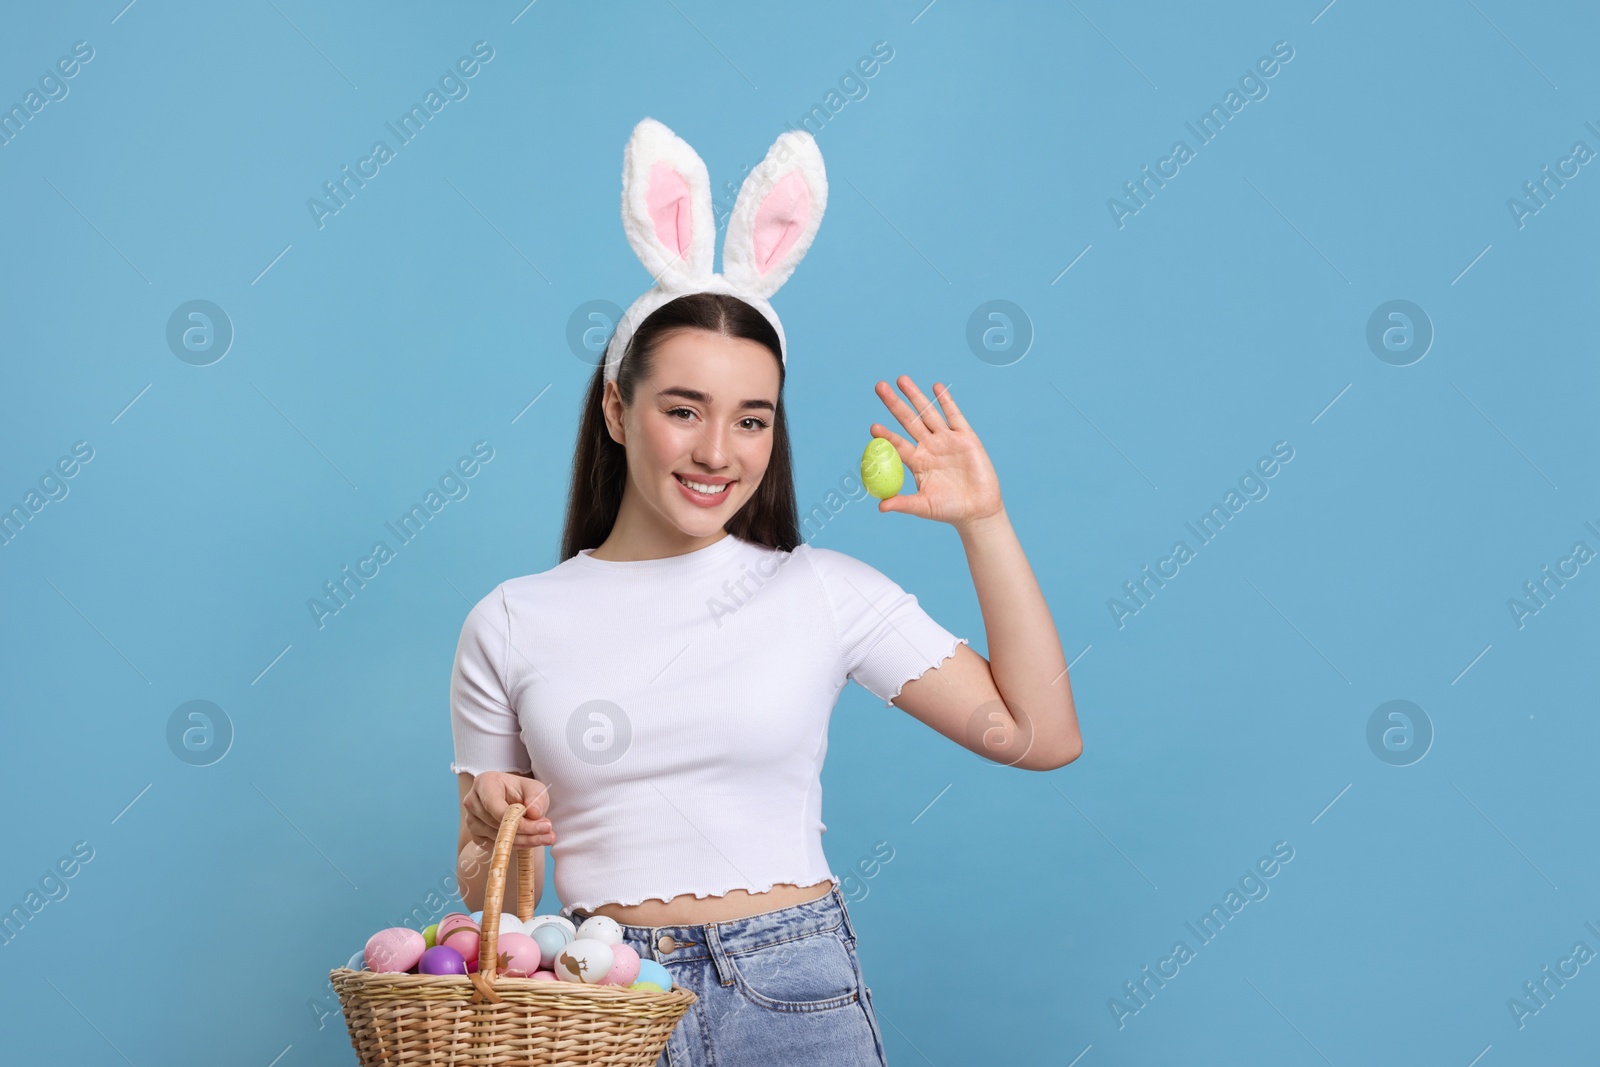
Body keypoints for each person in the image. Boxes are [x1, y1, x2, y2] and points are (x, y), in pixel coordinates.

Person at [448, 119, 1081, 1066]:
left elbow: (1039, 736)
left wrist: (982, 522)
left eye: (751, 419)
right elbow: (503, 902)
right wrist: (490, 826)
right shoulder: (511, 619)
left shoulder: (820, 590)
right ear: (618, 410)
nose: (717, 452)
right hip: (599, 997)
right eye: (682, 410)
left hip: (792, 992)